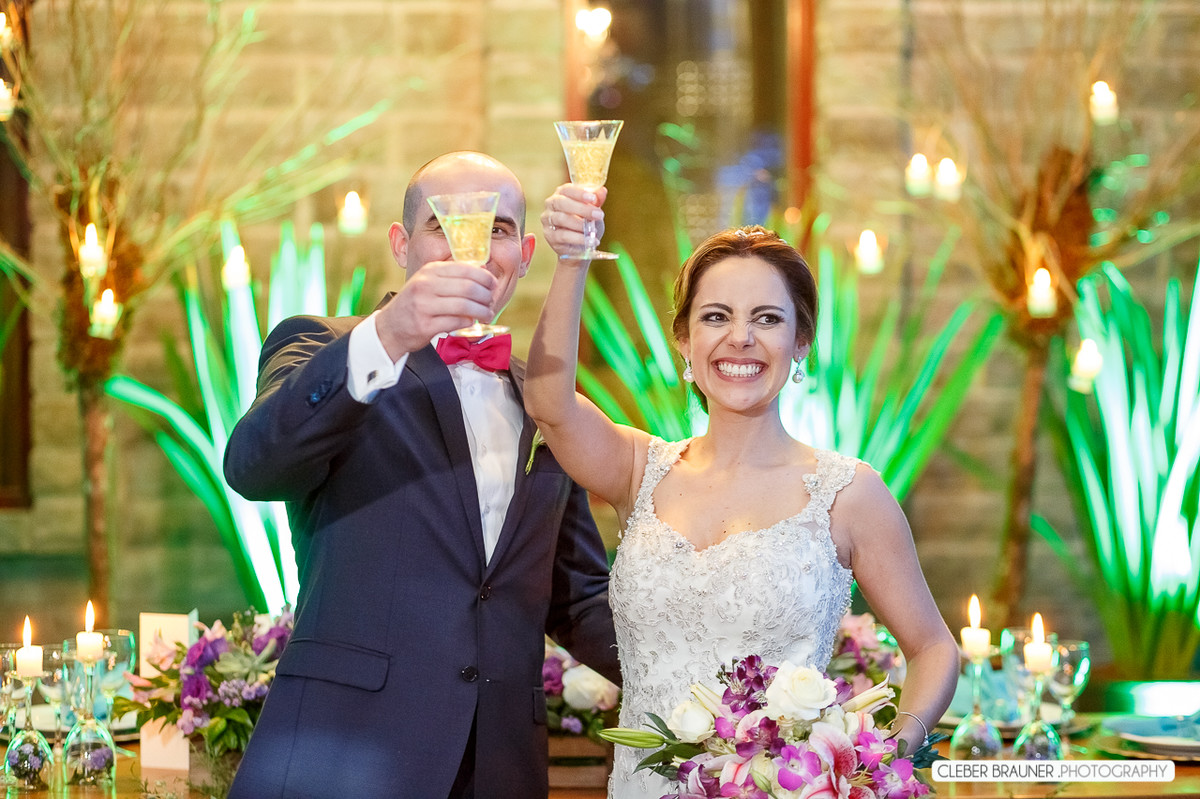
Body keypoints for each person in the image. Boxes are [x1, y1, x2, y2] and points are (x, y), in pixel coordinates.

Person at [526, 187, 960, 798]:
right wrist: (573, 258)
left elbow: (934, 648)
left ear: (800, 344)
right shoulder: (636, 467)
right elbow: (548, 402)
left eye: (767, 318)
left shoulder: (848, 493)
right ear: (684, 341)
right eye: (716, 316)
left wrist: (876, 759)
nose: (740, 338)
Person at [223, 152, 620, 799]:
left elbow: (575, 597)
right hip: (344, 758)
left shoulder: (546, 397)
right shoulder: (327, 348)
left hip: (499, 767)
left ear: (523, 253)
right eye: (445, 224)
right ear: (402, 245)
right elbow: (254, 465)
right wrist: (393, 331)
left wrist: (708, 687)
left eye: (495, 228)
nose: (472, 247)